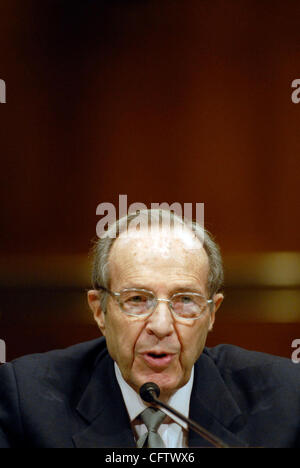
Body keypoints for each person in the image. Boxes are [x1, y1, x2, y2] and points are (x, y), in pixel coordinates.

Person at [0, 209, 299, 448]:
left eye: (185, 300)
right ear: (99, 310)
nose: (161, 326)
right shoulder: (27, 402)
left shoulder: (286, 401)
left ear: (211, 312)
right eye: (137, 299)